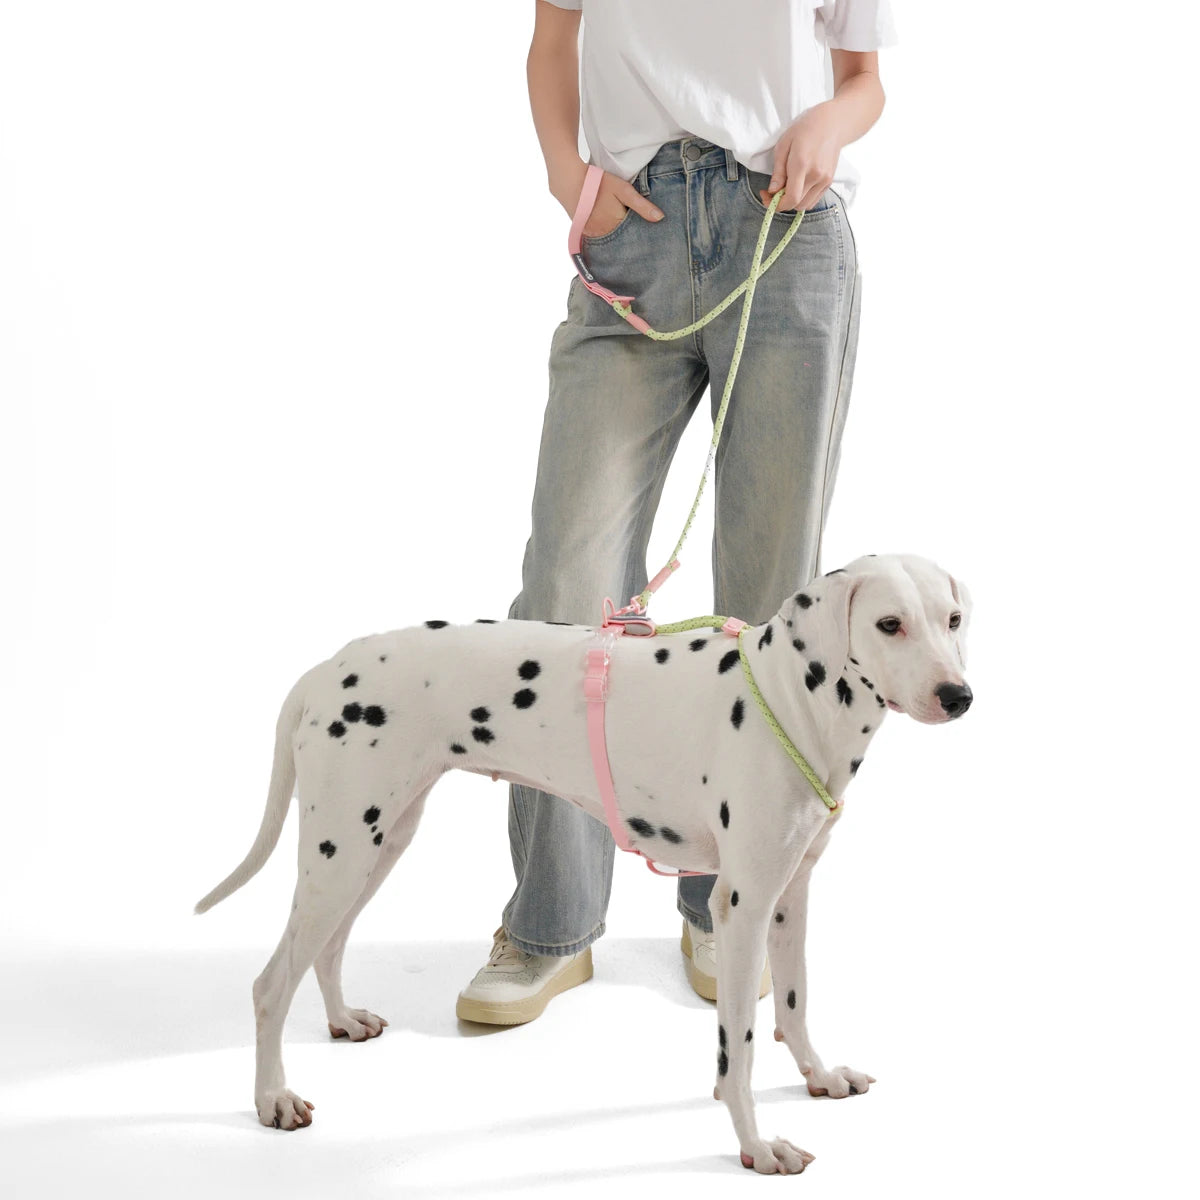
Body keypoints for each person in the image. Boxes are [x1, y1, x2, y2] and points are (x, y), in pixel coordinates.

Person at [456, 0, 896, 1025]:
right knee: (566, 586)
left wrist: (826, 125)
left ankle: (727, 903)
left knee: (767, 598)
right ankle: (551, 922)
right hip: (634, 237)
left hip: (788, 235)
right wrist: (569, 176)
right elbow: (553, 34)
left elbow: (864, 78)